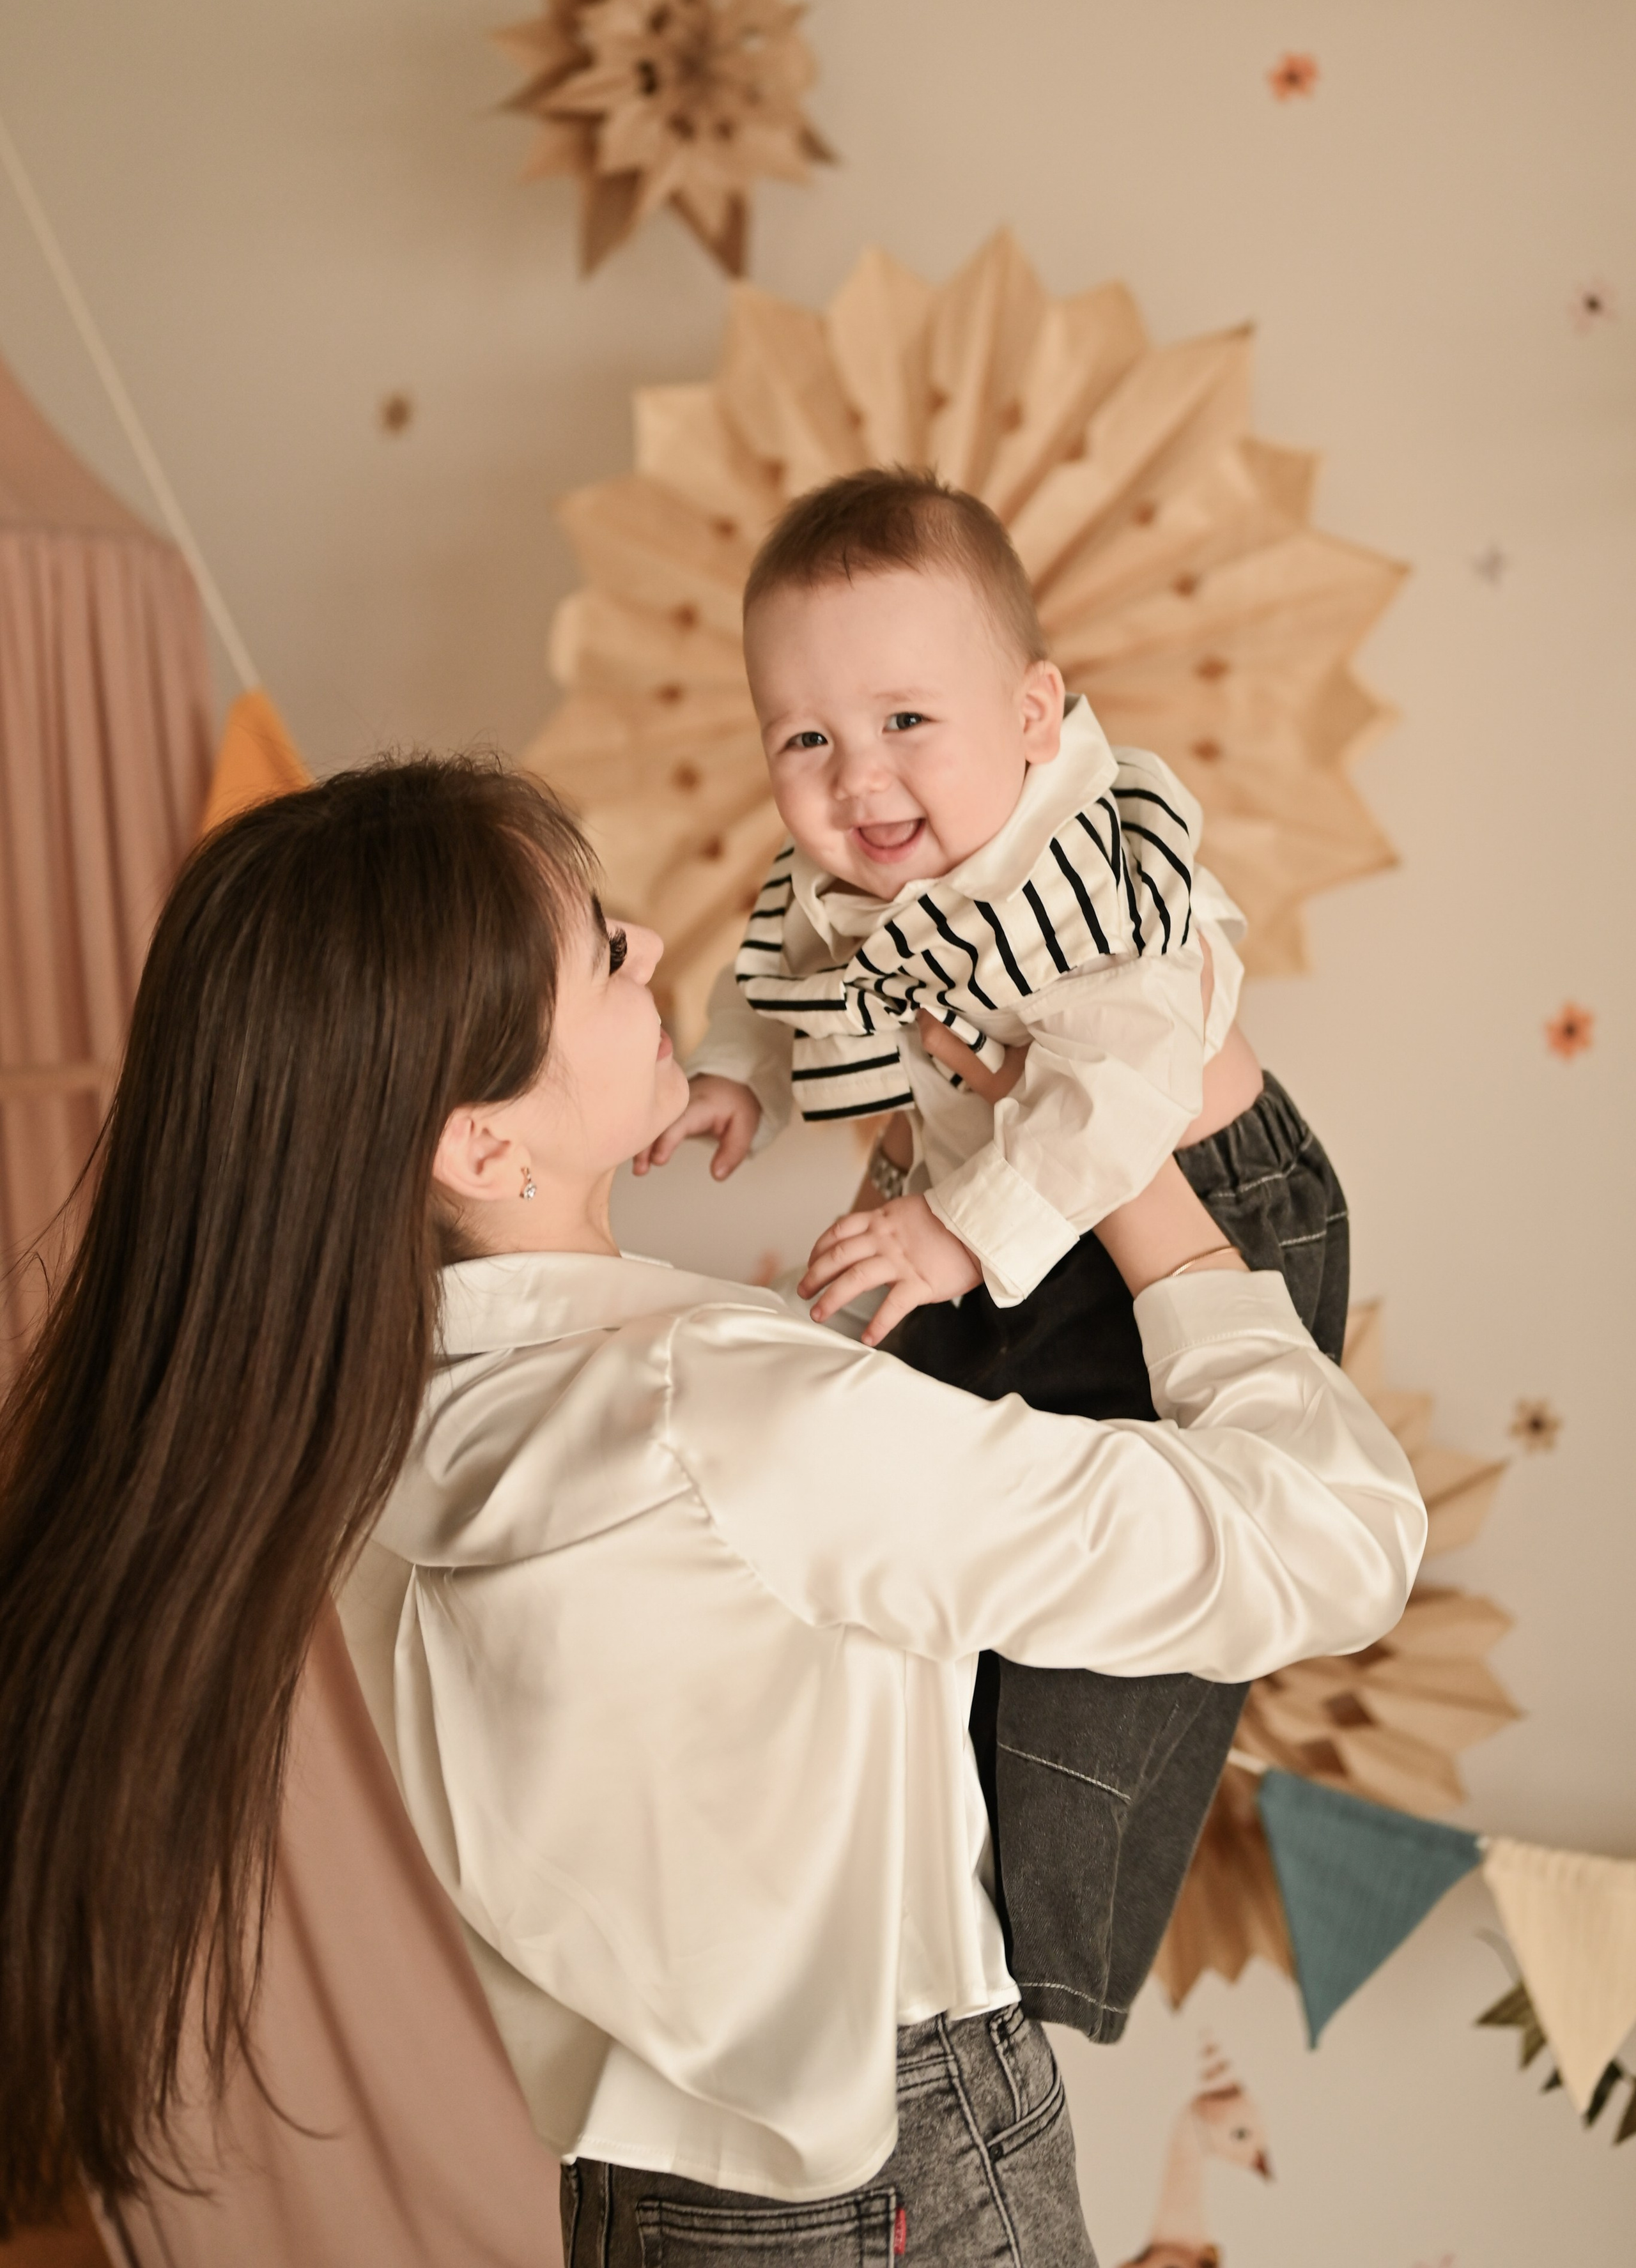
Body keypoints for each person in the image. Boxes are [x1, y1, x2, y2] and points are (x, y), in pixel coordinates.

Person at [0, 758, 1422, 2267]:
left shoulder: (356, 1427)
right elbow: (1333, 1542)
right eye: (600, 947)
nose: (653, 952)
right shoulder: (720, 1412)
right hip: (889, 2191)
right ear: (482, 1144)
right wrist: (1134, 1180)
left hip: (641, 2196)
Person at [643, 467, 1354, 2046]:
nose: (856, 778)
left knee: (1107, 1617)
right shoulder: (841, 883)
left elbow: (1112, 1097)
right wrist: (728, 1080)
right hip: (989, 1228)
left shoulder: (1094, 867)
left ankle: (1039, 1959)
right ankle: (906, 1889)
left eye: (906, 720)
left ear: (1034, 715)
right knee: (912, 1537)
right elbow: (777, 980)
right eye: (804, 738)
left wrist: (960, 1230)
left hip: (1198, 1217)